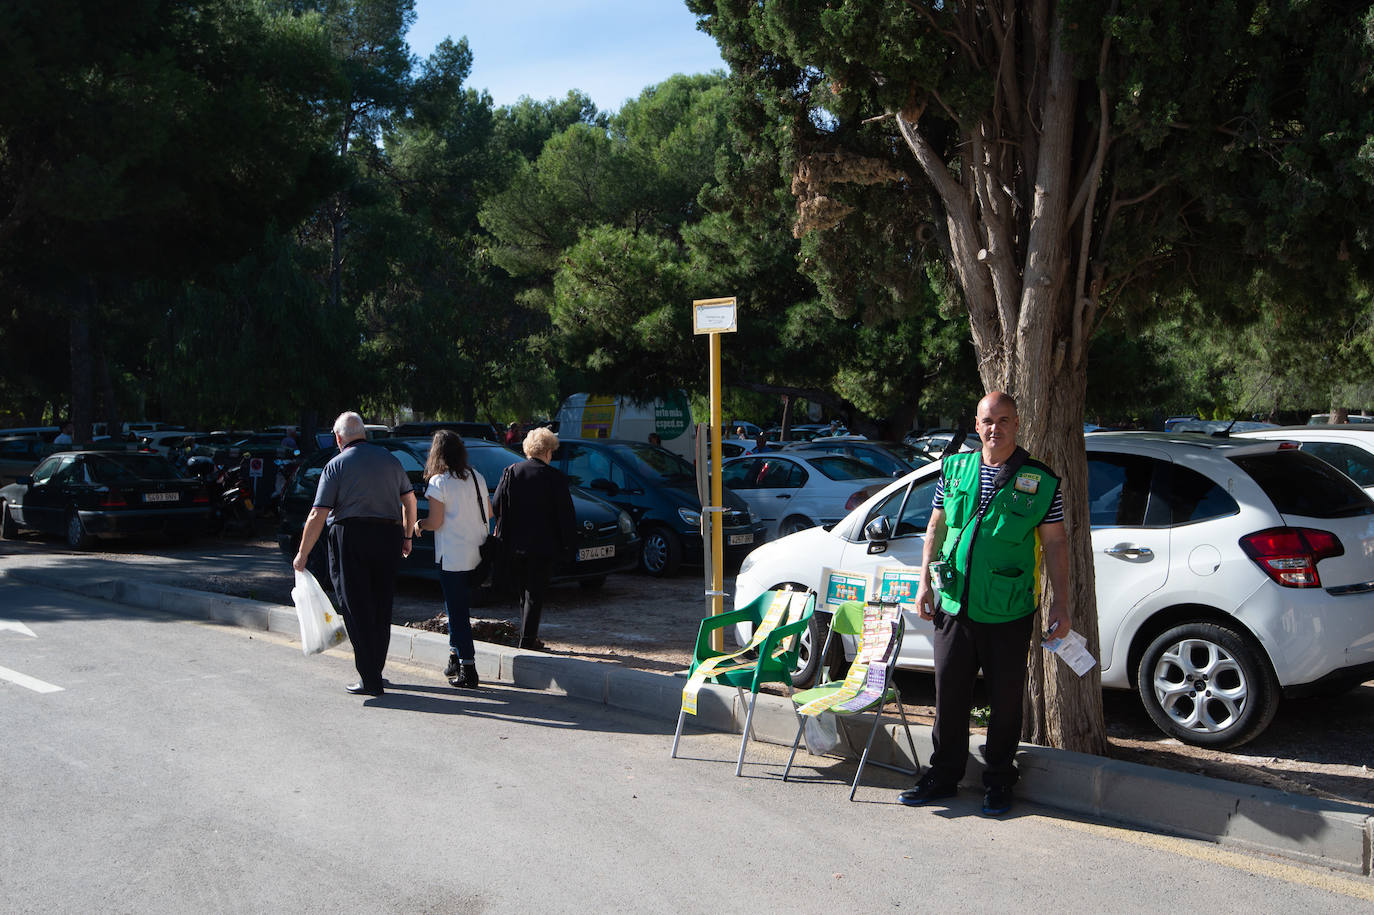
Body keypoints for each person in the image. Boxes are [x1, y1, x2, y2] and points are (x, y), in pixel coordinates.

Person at [900, 391, 1069, 817]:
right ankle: (943, 776)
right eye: (987, 421)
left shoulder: (1041, 480)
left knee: (1006, 701)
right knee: (949, 696)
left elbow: (1056, 544)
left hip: (1009, 610)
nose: (995, 428)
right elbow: (935, 527)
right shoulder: (954, 469)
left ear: (1017, 424)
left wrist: (1061, 602)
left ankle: (998, 781)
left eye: (1004, 420)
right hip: (954, 605)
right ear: (977, 426)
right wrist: (924, 582)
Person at [293, 411, 417, 697]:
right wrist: (407, 535)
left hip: (351, 536)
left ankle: (370, 679)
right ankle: (375, 670)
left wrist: (302, 554)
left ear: (338, 438)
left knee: (355, 606)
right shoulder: (390, 459)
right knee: (380, 606)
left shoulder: (336, 465)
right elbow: (409, 500)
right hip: (388, 536)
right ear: (364, 433)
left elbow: (317, 513)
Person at [413, 430, 488, 689]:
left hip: (452, 555)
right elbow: (488, 512)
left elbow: (436, 521)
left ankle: (469, 668)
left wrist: (418, 524)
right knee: (456, 608)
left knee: (456, 612)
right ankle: (455, 657)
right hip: (477, 552)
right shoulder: (476, 477)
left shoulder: (438, 482)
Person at [491, 426, 576, 650]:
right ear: (548, 451)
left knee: (523, 594)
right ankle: (527, 641)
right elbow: (566, 515)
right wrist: (569, 545)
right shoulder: (555, 478)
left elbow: (496, 505)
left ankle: (528, 636)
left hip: (515, 544)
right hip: (543, 545)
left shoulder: (511, 472)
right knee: (535, 594)